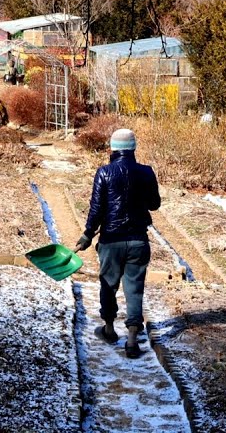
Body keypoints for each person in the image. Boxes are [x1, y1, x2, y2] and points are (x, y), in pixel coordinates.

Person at [74, 128, 160, 359]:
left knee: (108, 285)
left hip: (111, 241)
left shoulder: (104, 172)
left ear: (112, 148)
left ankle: (109, 329)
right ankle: (132, 340)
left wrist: (87, 234)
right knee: (134, 289)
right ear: (133, 148)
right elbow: (154, 204)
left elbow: (96, 208)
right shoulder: (146, 172)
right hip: (138, 241)